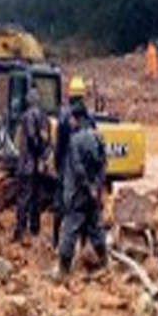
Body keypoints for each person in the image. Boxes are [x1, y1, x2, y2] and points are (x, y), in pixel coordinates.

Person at [56, 102, 108, 278]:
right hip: (93, 195)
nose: (69, 121)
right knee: (95, 228)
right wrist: (97, 187)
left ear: (77, 119)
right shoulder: (98, 137)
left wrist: (87, 186)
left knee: (69, 230)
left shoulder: (75, 140)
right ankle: (105, 262)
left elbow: (77, 169)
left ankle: (63, 270)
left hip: (78, 193)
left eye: (71, 118)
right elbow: (103, 165)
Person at [53, 75, 94, 247]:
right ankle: (83, 243)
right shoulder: (89, 118)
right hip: (84, 169)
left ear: (70, 95)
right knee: (84, 206)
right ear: (83, 95)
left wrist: (57, 165)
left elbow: (60, 144)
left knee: (61, 204)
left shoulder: (64, 117)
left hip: (68, 167)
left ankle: (57, 241)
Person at [14, 88, 51, 242]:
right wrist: (42, 157)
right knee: (36, 197)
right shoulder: (44, 117)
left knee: (24, 197)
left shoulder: (28, 116)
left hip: (27, 163)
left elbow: (31, 139)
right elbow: (46, 140)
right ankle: (35, 228)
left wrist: (35, 153)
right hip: (38, 164)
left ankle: (20, 230)